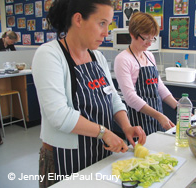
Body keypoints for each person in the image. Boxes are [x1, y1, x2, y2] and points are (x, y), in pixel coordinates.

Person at [32, 0, 146, 187]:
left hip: (99, 154)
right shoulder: (49, 55)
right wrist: (103, 132)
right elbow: (59, 115)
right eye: (101, 23)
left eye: (108, 25)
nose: (106, 32)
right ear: (78, 19)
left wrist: (126, 126)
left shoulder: (97, 57)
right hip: (64, 159)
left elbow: (113, 98)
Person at [114, 12, 178, 137]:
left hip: (157, 116)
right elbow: (130, 97)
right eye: (146, 38)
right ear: (133, 34)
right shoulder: (123, 59)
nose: (149, 43)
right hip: (138, 120)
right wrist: (159, 115)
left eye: (152, 38)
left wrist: (179, 108)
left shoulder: (149, 56)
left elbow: (159, 86)